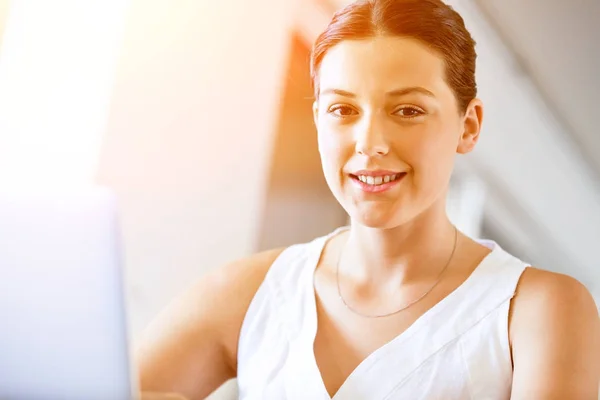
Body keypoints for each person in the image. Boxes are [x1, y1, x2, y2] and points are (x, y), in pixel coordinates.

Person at [136, 0, 600, 399]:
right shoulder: (250, 293)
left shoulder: (539, 309)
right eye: (343, 110)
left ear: (469, 125)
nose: (370, 142)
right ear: (319, 120)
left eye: (408, 111)